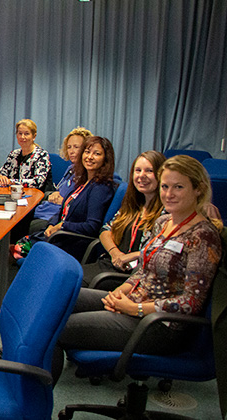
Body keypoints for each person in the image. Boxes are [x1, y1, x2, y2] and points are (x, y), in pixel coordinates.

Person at [54, 155, 222, 381]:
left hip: (159, 325)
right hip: (133, 301)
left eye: (178, 187)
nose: (168, 194)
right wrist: (122, 290)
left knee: (57, 327)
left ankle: (25, 388)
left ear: (198, 189)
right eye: (165, 186)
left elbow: (191, 302)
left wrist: (136, 309)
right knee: (59, 297)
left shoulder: (203, 236)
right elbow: (143, 268)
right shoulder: (164, 222)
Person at [80, 151, 166, 287]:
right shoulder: (133, 205)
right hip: (110, 264)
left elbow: (162, 251)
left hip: (132, 277)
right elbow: (106, 230)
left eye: (149, 171)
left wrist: (134, 255)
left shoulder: (166, 213)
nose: (141, 176)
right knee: (65, 277)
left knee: (69, 288)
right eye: (138, 170)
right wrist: (115, 253)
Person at [31, 136, 116, 260]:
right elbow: (64, 210)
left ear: (105, 159)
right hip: (58, 236)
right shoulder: (83, 181)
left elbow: (92, 227)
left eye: (97, 154)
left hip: (70, 243)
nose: (90, 157)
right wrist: (52, 224)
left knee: (12, 250)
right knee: (11, 247)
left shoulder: (100, 188)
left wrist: (62, 226)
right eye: (87, 152)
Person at [32, 127, 92, 222]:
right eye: (69, 147)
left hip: (58, 217)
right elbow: (60, 190)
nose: (71, 151)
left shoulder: (88, 174)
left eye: (76, 147)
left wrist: (64, 201)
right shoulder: (71, 169)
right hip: (47, 209)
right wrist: (54, 194)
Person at [0, 119, 52, 191]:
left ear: (34, 136)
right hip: (13, 193)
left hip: (35, 196)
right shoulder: (14, 154)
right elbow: (0, 173)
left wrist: (12, 182)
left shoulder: (42, 155)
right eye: (20, 133)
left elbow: (38, 182)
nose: (22, 137)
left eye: (26, 134)